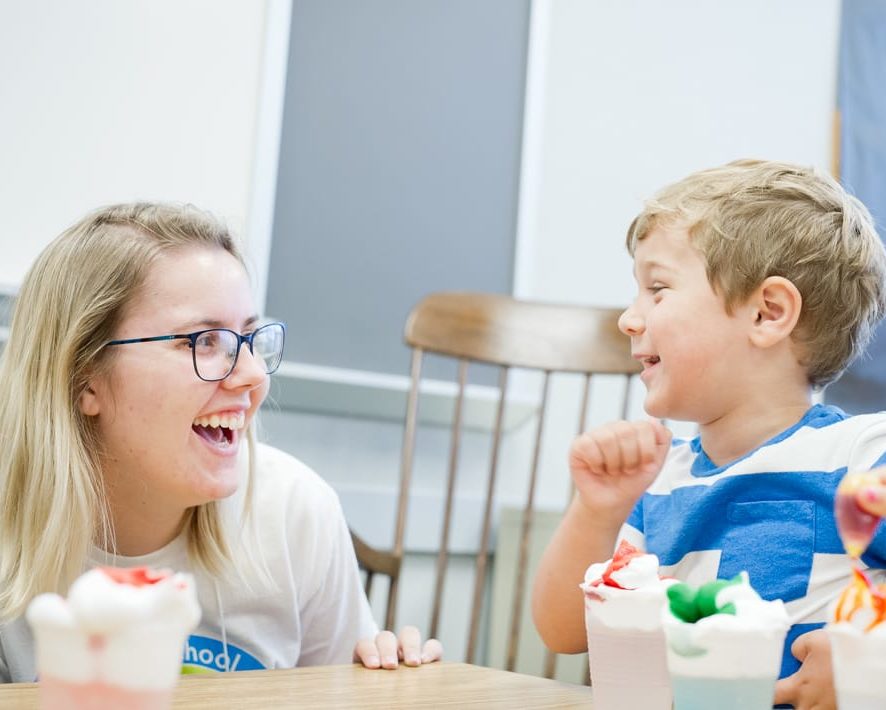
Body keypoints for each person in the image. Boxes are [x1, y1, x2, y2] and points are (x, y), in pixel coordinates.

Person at [0, 202, 441, 682]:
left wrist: (383, 678)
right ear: (85, 379)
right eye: (204, 341)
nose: (252, 376)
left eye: (249, 339)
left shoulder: (296, 512)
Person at [531, 159, 886, 710]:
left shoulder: (859, 457)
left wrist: (872, 662)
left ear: (768, 313)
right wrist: (596, 512)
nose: (629, 318)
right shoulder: (659, 481)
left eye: (657, 288)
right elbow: (564, 633)